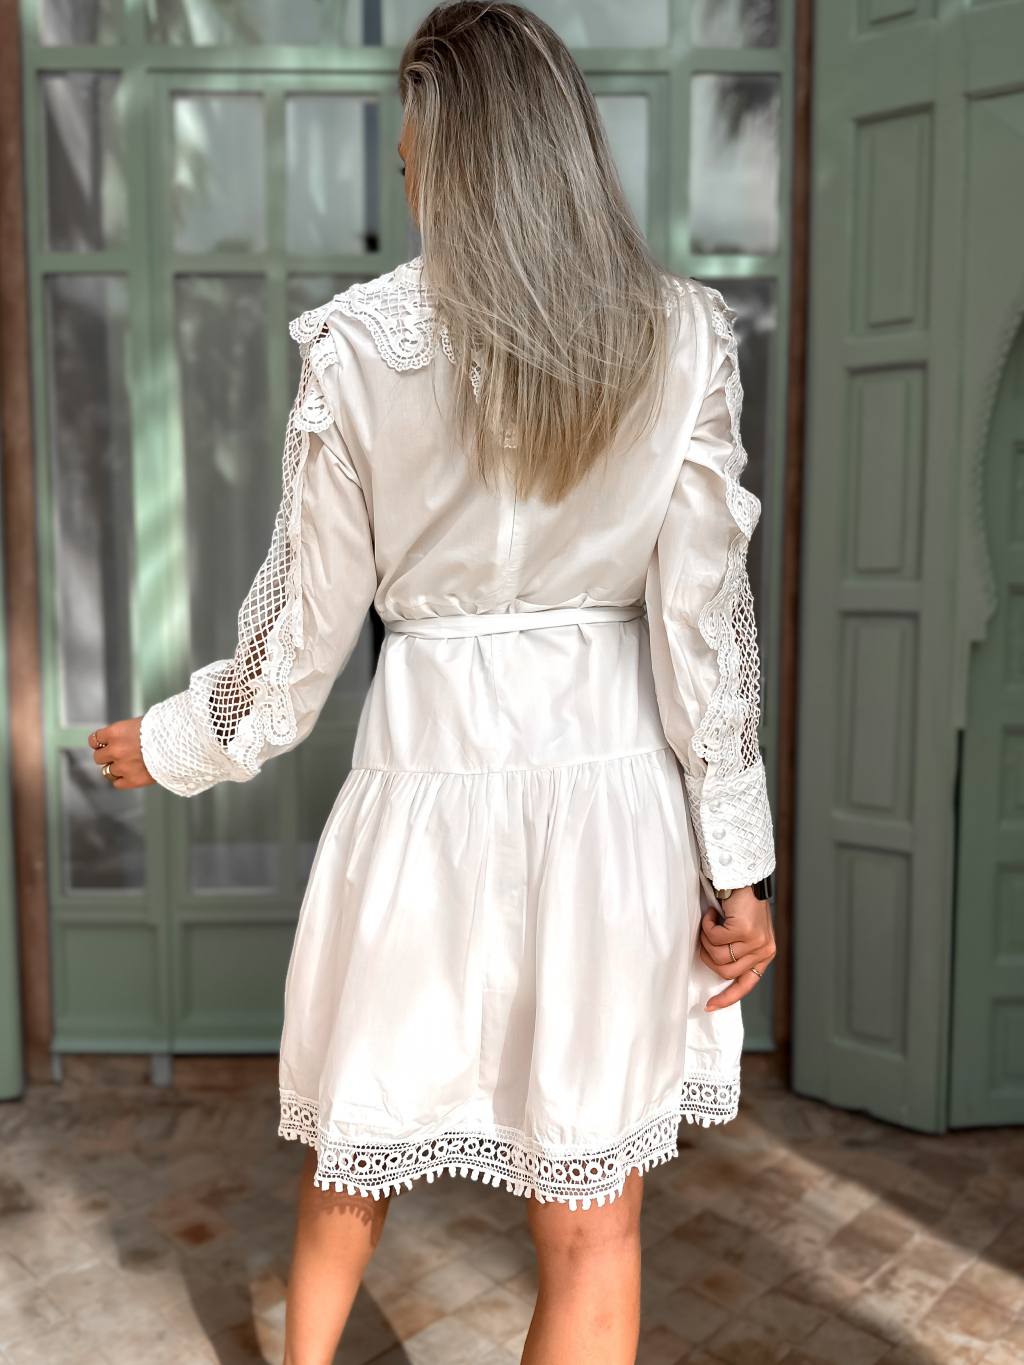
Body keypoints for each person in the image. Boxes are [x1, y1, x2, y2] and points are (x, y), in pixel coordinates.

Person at [90, 4, 776, 1361]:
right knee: (593, 1224)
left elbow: (295, 649)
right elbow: (704, 633)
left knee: (354, 1153)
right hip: (614, 819)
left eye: (414, 165)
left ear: (454, 168)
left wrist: (167, 740)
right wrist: (737, 867)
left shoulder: (357, 347)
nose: (409, 188)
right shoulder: (683, 334)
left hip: (422, 803)